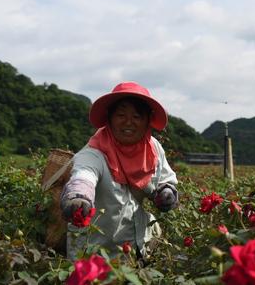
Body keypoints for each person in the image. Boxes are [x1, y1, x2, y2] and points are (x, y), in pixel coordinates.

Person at [60, 82, 178, 260]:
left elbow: (165, 178)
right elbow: (84, 174)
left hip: (140, 246)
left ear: (147, 121)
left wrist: (166, 192)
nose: (128, 122)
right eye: (121, 115)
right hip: (96, 255)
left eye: (137, 116)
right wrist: (79, 195)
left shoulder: (153, 148)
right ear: (109, 118)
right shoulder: (95, 153)